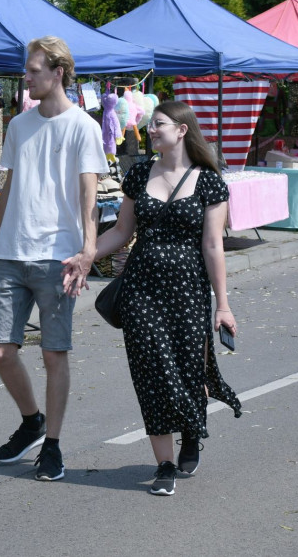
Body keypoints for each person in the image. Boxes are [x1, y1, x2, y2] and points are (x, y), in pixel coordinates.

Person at [88, 100, 242, 496]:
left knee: (190, 371)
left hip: (189, 292)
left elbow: (212, 246)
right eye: (150, 124)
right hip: (141, 291)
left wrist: (222, 304)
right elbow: (121, 232)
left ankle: (192, 430)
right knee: (152, 373)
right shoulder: (139, 173)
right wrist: (85, 255)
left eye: (157, 124)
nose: (150, 129)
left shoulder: (209, 181)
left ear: (182, 130)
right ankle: (165, 464)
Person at [0, 36, 108, 482]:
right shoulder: (19, 125)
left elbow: (87, 196)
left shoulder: (83, 126)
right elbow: (8, 188)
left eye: (34, 70)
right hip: (13, 252)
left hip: (58, 257)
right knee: (1, 350)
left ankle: (52, 445)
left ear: (58, 72)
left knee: (54, 354)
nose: (27, 77)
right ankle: (32, 420)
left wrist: (87, 250)